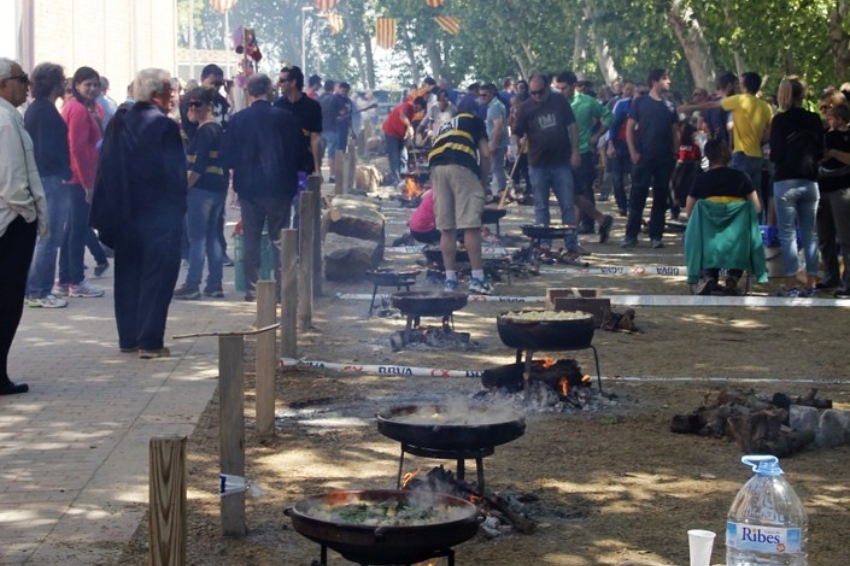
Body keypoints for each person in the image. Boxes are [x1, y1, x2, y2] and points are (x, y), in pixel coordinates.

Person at [90, 68, 187, 358]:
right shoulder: (164, 126)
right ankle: (150, 341)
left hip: (125, 212)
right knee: (158, 276)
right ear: (157, 94)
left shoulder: (118, 121)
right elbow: (174, 174)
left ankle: (128, 338)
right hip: (158, 214)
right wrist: (178, 208)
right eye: (169, 91)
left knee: (128, 274)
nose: (173, 96)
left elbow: (105, 167)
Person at [222, 74, 302, 302]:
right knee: (279, 239)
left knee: (252, 238)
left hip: (249, 188)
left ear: (249, 92)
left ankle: (252, 289)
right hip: (279, 185)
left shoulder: (238, 119)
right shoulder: (285, 118)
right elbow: (298, 152)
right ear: (269, 90)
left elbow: (228, 156)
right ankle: (282, 289)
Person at [0, 58, 48, 395]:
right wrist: (29, 213)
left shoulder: (9, 116)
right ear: (3, 84)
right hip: (12, 220)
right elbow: (13, 179)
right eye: (20, 79)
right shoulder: (4, 120)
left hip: (12, 218)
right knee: (7, 299)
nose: (25, 85)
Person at [511, 73, 585, 257]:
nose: (536, 96)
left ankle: (572, 243)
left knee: (567, 204)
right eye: (533, 93)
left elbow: (572, 127)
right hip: (537, 164)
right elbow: (516, 132)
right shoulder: (525, 108)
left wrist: (575, 151)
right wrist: (514, 145)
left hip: (561, 161)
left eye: (540, 92)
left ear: (547, 88)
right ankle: (544, 243)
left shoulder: (559, 101)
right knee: (541, 206)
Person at [769, 76, 824, 297]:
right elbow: (821, 151)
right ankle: (812, 283)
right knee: (811, 235)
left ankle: (791, 284)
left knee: (788, 234)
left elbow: (775, 154)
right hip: (810, 181)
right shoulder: (815, 119)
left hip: (786, 180)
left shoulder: (779, 121)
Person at [684, 139, 762, 295]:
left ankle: (708, 275)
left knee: (692, 235)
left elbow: (689, 212)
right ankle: (733, 275)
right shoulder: (742, 177)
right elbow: (757, 208)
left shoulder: (701, 180)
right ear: (725, 153)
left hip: (709, 240)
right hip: (736, 241)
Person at [429, 109, 493, 294]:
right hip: (461, 164)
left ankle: (450, 279)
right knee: (470, 225)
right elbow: (486, 154)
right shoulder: (475, 120)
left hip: (437, 167)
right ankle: (478, 278)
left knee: (447, 227)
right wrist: (482, 182)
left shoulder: (446, 125)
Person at [24, 62, 72, 308]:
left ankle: (37, 289)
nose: (65, 84)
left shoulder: (38, 109)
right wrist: (65, 172)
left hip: (45, 179)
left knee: (46, 237)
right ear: (53, 83)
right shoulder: (44, 111)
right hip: (50, 180)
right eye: (62, 80)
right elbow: (47, 149)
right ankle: (38, 291)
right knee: (48, 237)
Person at [173, 88, 228, 300]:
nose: (193, 108)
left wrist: (185, 187)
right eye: (190, 104)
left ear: (209, 106)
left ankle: (192, 283)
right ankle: (214, 284)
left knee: (197, 238)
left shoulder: (206, 131)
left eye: (198, 104)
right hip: (217, 188)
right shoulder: (215, 129)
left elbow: (199, 164)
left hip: (202, 189)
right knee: (213, 236)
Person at [58, 66, 106, 298]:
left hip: (77, 177)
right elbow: (76, 148)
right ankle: (76, 281)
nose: (93, 88)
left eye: (95, 84)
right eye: (87, 84)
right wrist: (87, 183)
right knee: (78, 231)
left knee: (71, 231)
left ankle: (66, 278)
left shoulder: (83, 108)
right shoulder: (76, 110)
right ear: (76, 85)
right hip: (79, 179)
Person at [554, 71, 614, 243]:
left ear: (574, 86)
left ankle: (580, 226)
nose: (561, 91)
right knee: (570, 193)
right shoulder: (556, 103)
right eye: (558, 88)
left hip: (582, 152)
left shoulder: (587, 102)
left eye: (564, 88)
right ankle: (600, 220)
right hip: (561, 154)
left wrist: (597, 135)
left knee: (581, 191)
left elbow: (609, 116)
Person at [622, 69, 679, 249]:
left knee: (660, 198)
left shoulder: (670, 106)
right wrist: (633, 151)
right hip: (644, 156)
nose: (669, 81)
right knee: (638, 195)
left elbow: (675, 131)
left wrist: (676, 152)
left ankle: (656, 235)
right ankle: (631, 235)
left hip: (664, 158)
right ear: (654, 81)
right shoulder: (640, 103)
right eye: (664, 78)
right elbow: (630, 128)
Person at [819, 104, 850, 297]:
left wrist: (834, 153)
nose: (829, 121)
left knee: (845, 237)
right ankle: (831, 276)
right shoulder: (825, 135)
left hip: (842, 189)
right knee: (824, 235)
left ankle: (848, 281)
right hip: (823, 188)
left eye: (832, 117)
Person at [274, 65, 322, 177]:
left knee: (304, 194)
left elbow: (315, 139)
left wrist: (317, 169)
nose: (278, 84)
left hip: (304, 165)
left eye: (282, 80)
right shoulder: (277, 106)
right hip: (282, 166)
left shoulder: (313, 106)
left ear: (293, 82)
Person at [606, 82, 642, 216]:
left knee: (635, 177)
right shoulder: (622, 104)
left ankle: (633, 205)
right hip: (619, 144)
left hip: (637, 145)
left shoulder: (646, 106)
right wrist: (610, 144)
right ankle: (622, 205)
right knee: (617, 178)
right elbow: (612, 125)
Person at [382, 96, 426, 186]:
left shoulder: (413, 113)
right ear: (415, 104)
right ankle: (396, 179)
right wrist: (409, 126)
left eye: (420, 110)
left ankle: (404, 177)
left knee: (403, 157)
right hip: (391, 132)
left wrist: (408, 134)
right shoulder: (407, 106)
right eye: (418, 108)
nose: (417, 111)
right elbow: (402, 115)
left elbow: (405, 124)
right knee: (394, 156)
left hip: (400, 135)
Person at [478, 83, 509, 201]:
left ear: (491, 93)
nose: (482, 98)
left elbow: (498, 126)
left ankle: (500, 193)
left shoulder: (495, 107)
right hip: (497, 142)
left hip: (497, 143)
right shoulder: (495, 105)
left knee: (497, 168)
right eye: (480, 95)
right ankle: (499, 191)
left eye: (485, 95)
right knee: (497, 168)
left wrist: (493, 143)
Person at [670, 122, 702, 220]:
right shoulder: (695, 147)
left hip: (677, 178)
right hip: (691, 178)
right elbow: (699, 159)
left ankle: (674, 212)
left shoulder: (678, 146)